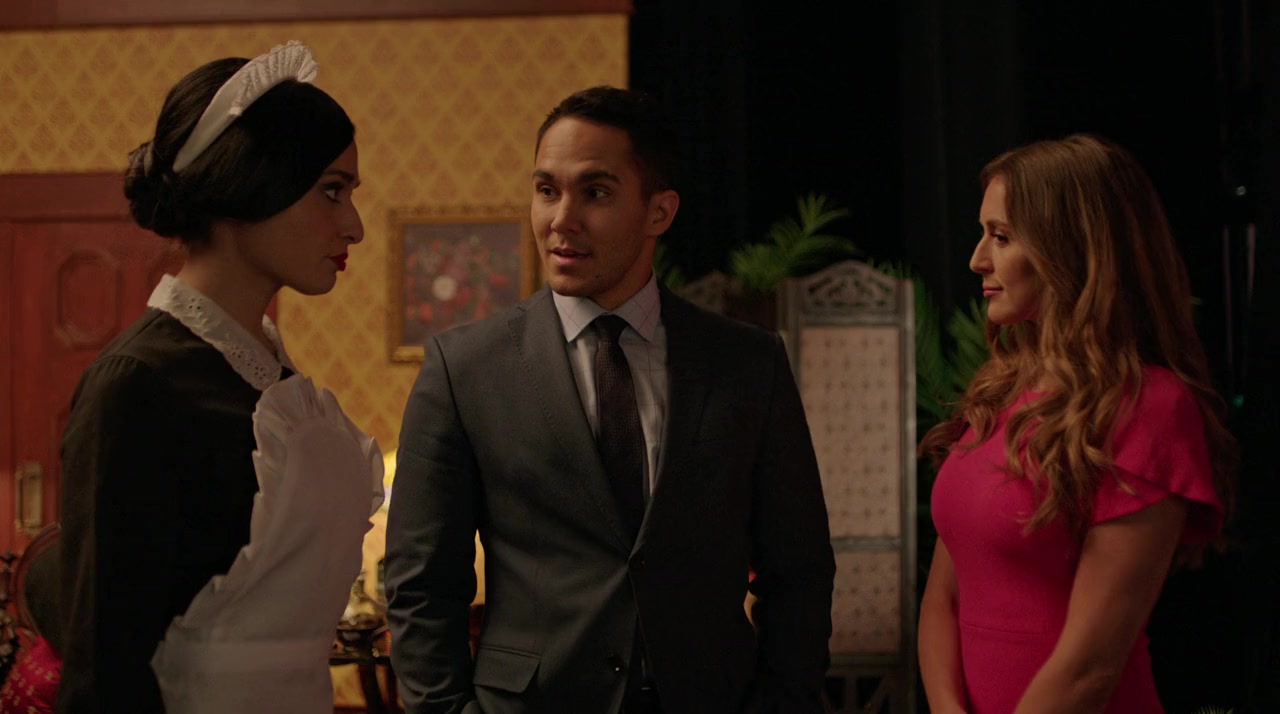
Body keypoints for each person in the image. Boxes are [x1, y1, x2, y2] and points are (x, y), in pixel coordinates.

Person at [385, 85, 836, 714]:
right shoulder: (463, 369)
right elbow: (421, 585)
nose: (561, 220)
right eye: (547, 190)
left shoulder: (748, 364)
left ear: (659, 212)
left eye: (595, 193)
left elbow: (799, 571)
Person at [56, 41, 384, 713]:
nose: (352, 226)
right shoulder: (138, 387)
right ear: (246, 183)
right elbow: (105, 672)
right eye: (331, 191)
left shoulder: (269, 377)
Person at [917, 134, 1237, 713]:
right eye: (983, 233)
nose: (978, 259)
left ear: (1070, 248)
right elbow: (943, 598)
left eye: (1001, 236)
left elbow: (1089, 668)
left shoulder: (1150, 408)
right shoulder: (1000, 390)